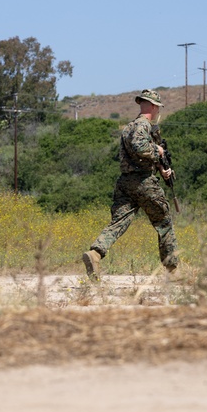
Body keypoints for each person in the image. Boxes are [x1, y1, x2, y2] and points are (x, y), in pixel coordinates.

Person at [82, 89, 179, 279]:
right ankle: (173, 270)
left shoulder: (129, 127)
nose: (159, 111)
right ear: (153, 106)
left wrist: (161, 167)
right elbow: (140, 147)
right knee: (164, 222)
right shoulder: (143, 125)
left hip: (125, 182)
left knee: (119, 222)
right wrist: (158, 151)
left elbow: (134, 154)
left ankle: (95, 253)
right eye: (158, 107)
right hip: (144, 182)